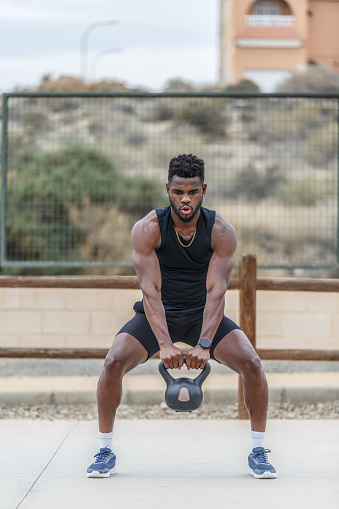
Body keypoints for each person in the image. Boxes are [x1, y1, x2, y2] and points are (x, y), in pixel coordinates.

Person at [87, 154, 277, 479]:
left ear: (203, 189)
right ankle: (105, 449)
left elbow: (217, 292)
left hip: (203, 317)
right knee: (113, 363)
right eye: (178, 192)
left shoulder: (220, 231)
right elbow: (150, 291)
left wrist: (204, 343)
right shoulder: (147, 229)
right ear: (167, 190)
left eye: (192, 191)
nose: (185, 199)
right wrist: (164, 343)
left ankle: (258, 450)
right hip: (157, 315)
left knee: (253, 365)